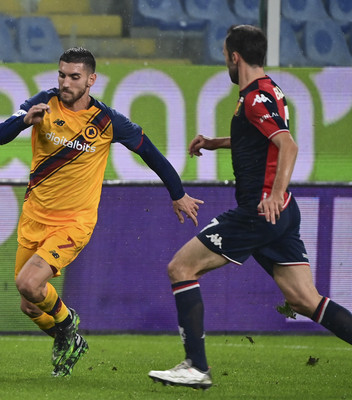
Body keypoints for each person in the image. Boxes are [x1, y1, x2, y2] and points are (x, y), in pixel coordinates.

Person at [147, 25, 352, 390]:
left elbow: (287, 145)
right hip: (283, 213)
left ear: (234, 56)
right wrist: (216, 142)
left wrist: (274, 193)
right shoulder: (269, 90)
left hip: (260, 212)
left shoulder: (255, 97)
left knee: (181, 267)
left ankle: (196, 366)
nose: (224, 59)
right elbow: (258, 138)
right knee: (305, 300)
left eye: (225, 54)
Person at [0, 47, 203, 377]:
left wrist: (178, 194)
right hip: (34, 216)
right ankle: (70, 338)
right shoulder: (44, 102)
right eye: (62, 74)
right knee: (30, 303)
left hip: (74, 222)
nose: (66, 82)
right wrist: (23, 121)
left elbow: (151, 153)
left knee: (30, 283)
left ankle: (67, 324)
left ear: (91, 80)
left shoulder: (107, 121)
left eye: (74, 77)